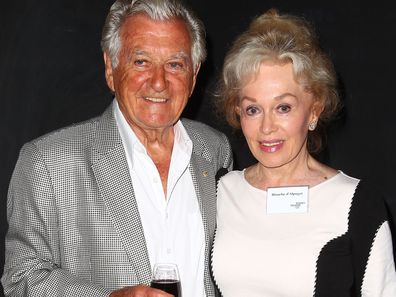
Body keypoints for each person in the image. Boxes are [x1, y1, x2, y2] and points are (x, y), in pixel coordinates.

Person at [1, 0, 233, 296]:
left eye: (175, 64)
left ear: (194, 74)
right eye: (141, 62)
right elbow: (20, 277)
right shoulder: (47, 162)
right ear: (111, 68)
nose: (159, 82)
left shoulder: (214, 150)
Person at [212, 8, 396, 297]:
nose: (267, 127)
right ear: (238, 114)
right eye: (253, 109)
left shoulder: (357, 203)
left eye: (283, 107)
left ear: (314, 110)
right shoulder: (220, 191)